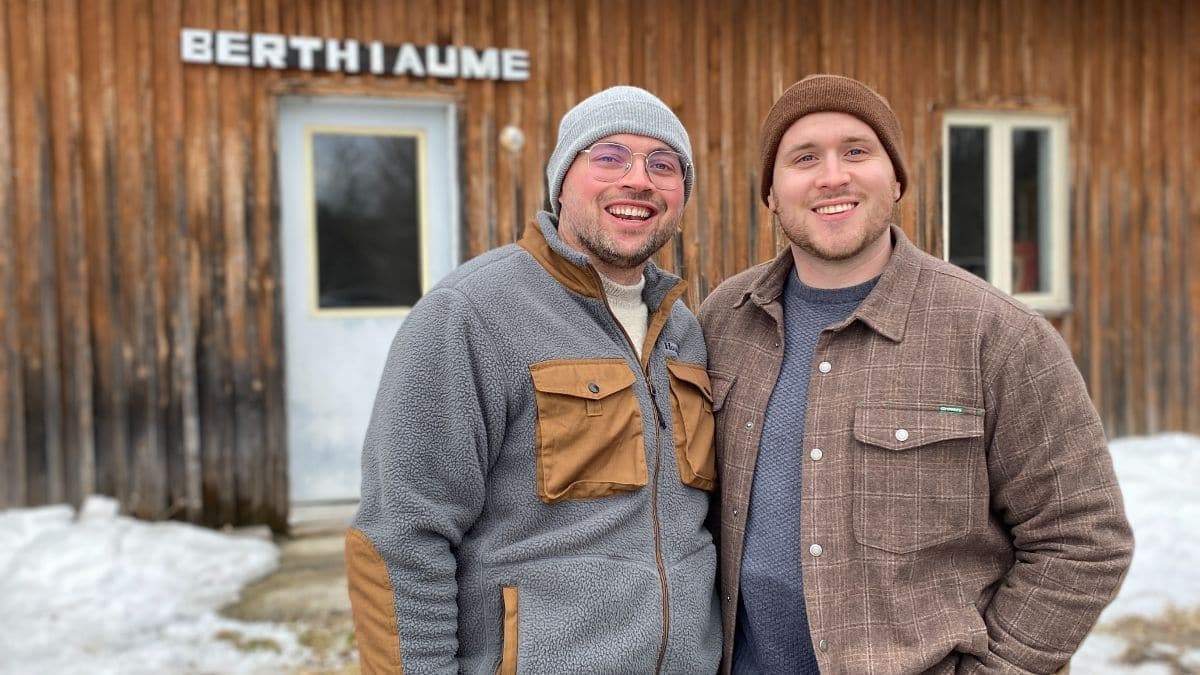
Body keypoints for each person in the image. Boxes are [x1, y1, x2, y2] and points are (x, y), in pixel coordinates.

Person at [699, 74, 1133, 674]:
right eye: (803, 158)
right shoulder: (724, 320)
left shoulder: (996, 333)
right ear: (771, 194)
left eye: (857, 151)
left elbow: (1084, 538)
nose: (832, 176)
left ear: (897, 178)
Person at [346, 85, 721, 674]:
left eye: (663, 165)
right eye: (609, 157)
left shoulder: (684, 332)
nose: (639, 180)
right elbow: (400, 535)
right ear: (562, 180)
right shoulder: (471, 313)